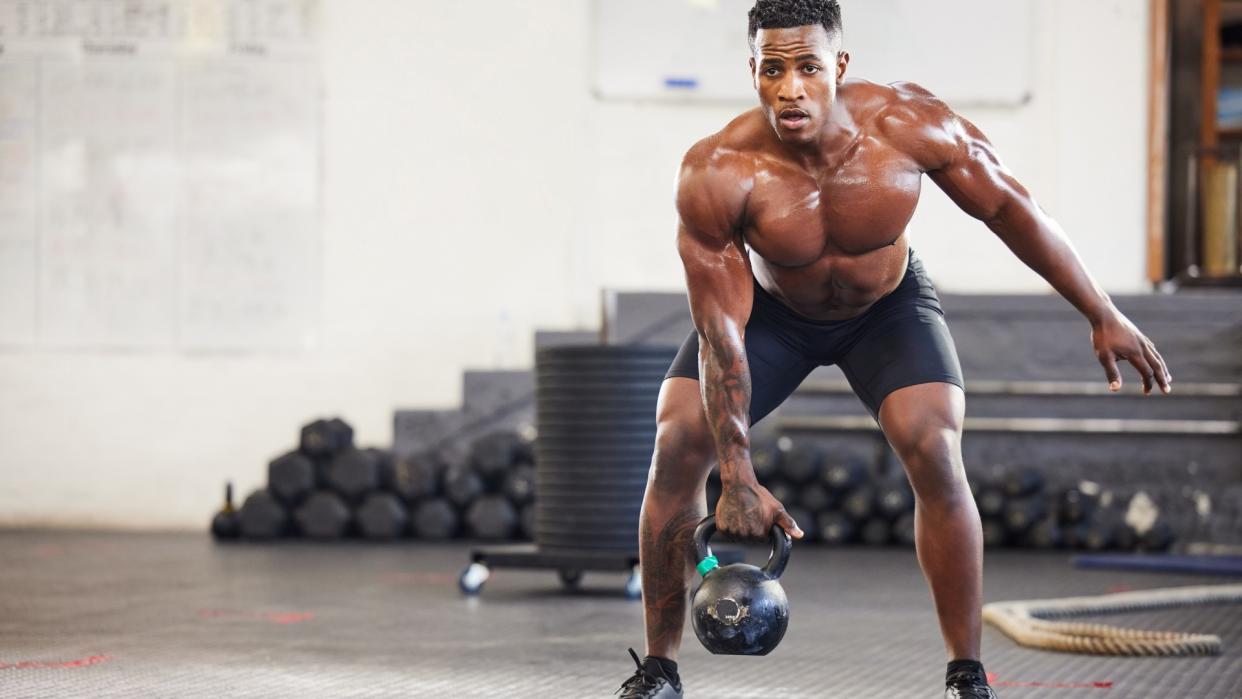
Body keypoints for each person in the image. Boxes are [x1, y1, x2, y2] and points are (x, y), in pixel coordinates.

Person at [613, 1, 1173, 697]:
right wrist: (737, 472)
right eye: (773, 69)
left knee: (933, 443)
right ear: (752, 71)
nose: (791, 88)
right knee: (677, 440)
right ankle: (660, 670)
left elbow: (1009, 207)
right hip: (773, 316)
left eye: (808, 67)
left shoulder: (907, 125)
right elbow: (723, 331)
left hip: (888, 309)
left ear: (839, 67)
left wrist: (1101, 310)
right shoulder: (718, 171)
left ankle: (966, 674)